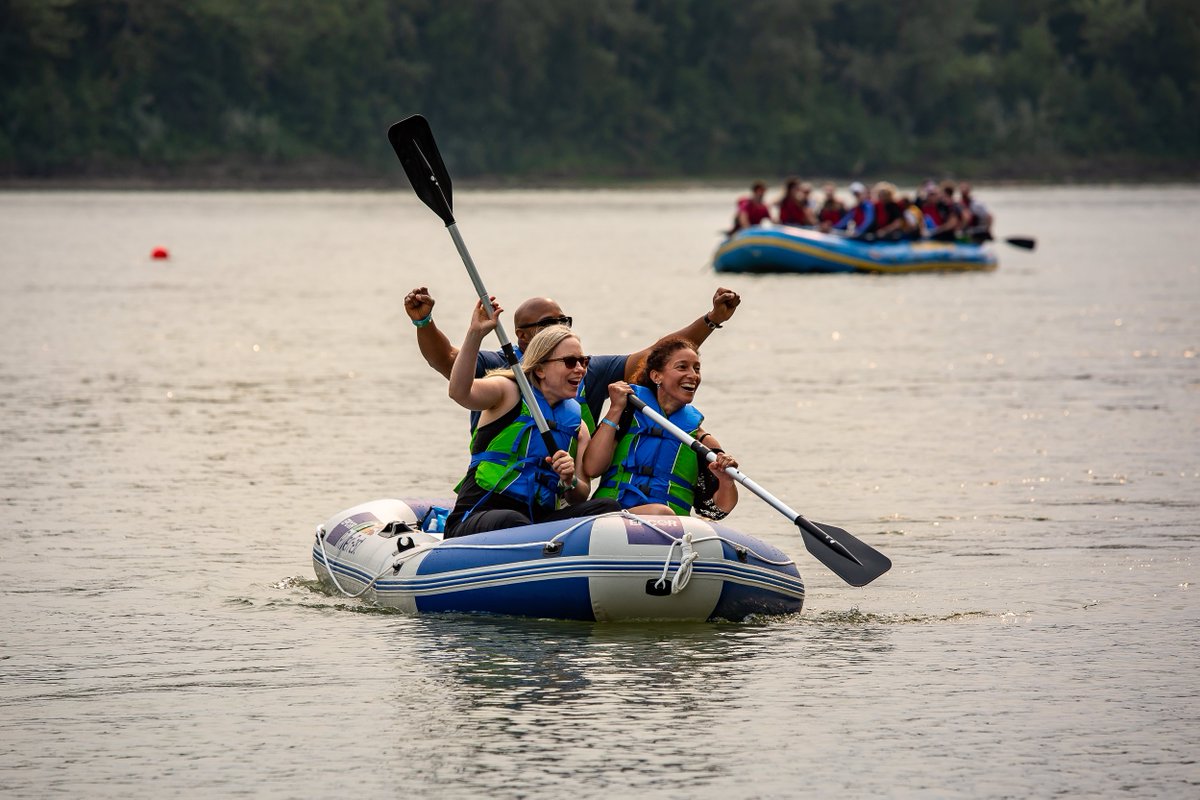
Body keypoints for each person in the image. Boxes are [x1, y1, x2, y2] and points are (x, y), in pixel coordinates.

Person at [403, 286, 742, 432]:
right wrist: (424, 322)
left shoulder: (586, 370)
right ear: (522, 335)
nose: (562, 328)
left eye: (565, 321)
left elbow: (658, 353)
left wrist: (711, 320)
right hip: (504, 488)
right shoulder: (500, 368)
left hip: (562, 491)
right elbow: (445, 358)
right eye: (551, 324)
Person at [444, 298, 622, 537]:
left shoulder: (577, 425)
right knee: (513, 520)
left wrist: (569, 479)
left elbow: (580, 494)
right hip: (481, 512)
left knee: (608, 508)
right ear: (540, 369)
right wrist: (475, 334)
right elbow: (459, 392)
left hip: (537, 522)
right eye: (570, 362)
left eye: (583, 361)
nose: (579, 369)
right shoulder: (508, 391)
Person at [583, 338, 738, 519]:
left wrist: (726, 481)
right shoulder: (625, 417)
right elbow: (592, 468)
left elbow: (719, 509)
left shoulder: (701, 441)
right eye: (682, 367)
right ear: (656, 376)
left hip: (669, 533)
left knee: (662, 512)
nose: (693, 375)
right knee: (660, 512)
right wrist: (615, 409)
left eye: (697, 369)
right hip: (609, 519)